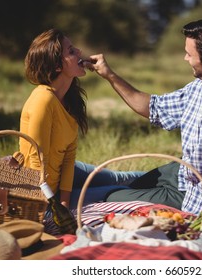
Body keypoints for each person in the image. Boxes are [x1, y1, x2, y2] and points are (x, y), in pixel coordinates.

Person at [90, 19, 202, 238]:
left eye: (189, 54)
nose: (185, 58)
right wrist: (109, 75)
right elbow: (153, 107)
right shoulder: (200, 88)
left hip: (195, 197)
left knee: (106, 197)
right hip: (180, 173)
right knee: (96, 177)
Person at [17, 29, 144, 210]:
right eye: (71, 51)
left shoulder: (70, 99)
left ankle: (179, 176)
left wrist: (66, 200)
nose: (79, 52)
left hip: (65, 173)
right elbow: (38, 162)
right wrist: (58, 205)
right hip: (43, 193)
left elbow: (69, 157)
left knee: (124, 178)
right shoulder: (42, 100)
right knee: (119, 190)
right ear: (57, 66)